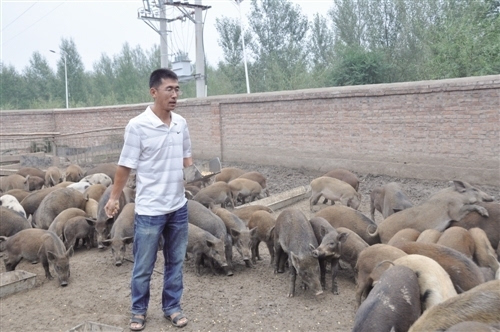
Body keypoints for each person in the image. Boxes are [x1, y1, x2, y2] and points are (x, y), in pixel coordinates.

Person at [105, 68, 192, 331]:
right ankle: (138, 311)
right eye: (169, 89)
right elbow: (125, 166)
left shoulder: (181, 123)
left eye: (177, 89)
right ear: (154, 92)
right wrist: (113, 198)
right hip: (150, 209)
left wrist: (197, 175)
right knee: (144, 265)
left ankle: (172, 307)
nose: (175, 94)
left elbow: (187, 157)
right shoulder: (137, 126)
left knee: (175, 262)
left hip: (178, 206)